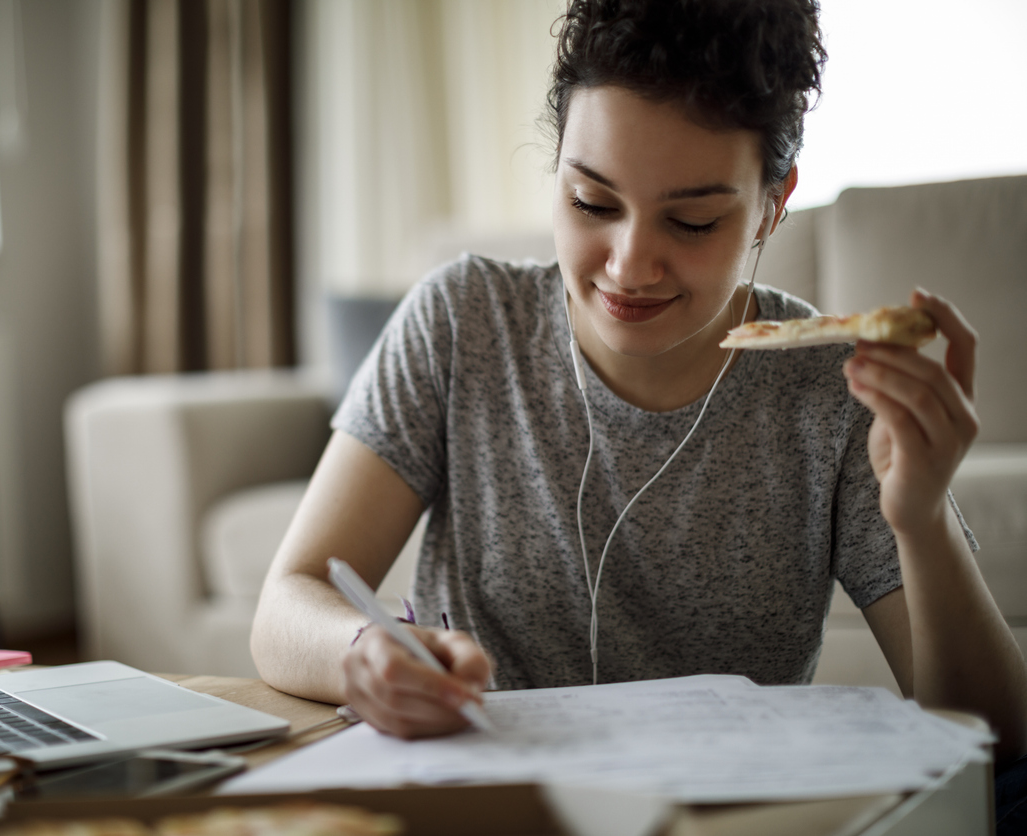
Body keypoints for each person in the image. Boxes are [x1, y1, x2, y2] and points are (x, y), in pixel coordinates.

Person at [251, 0, 1027, 780]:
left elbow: (993, 740)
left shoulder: (836, 388)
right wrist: (362, 653)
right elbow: (290, 599)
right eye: (593, 203)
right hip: (492, 801)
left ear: (772, 204)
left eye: (691, 222)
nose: (629, 265)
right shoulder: (462, 322)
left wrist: (923, 521)